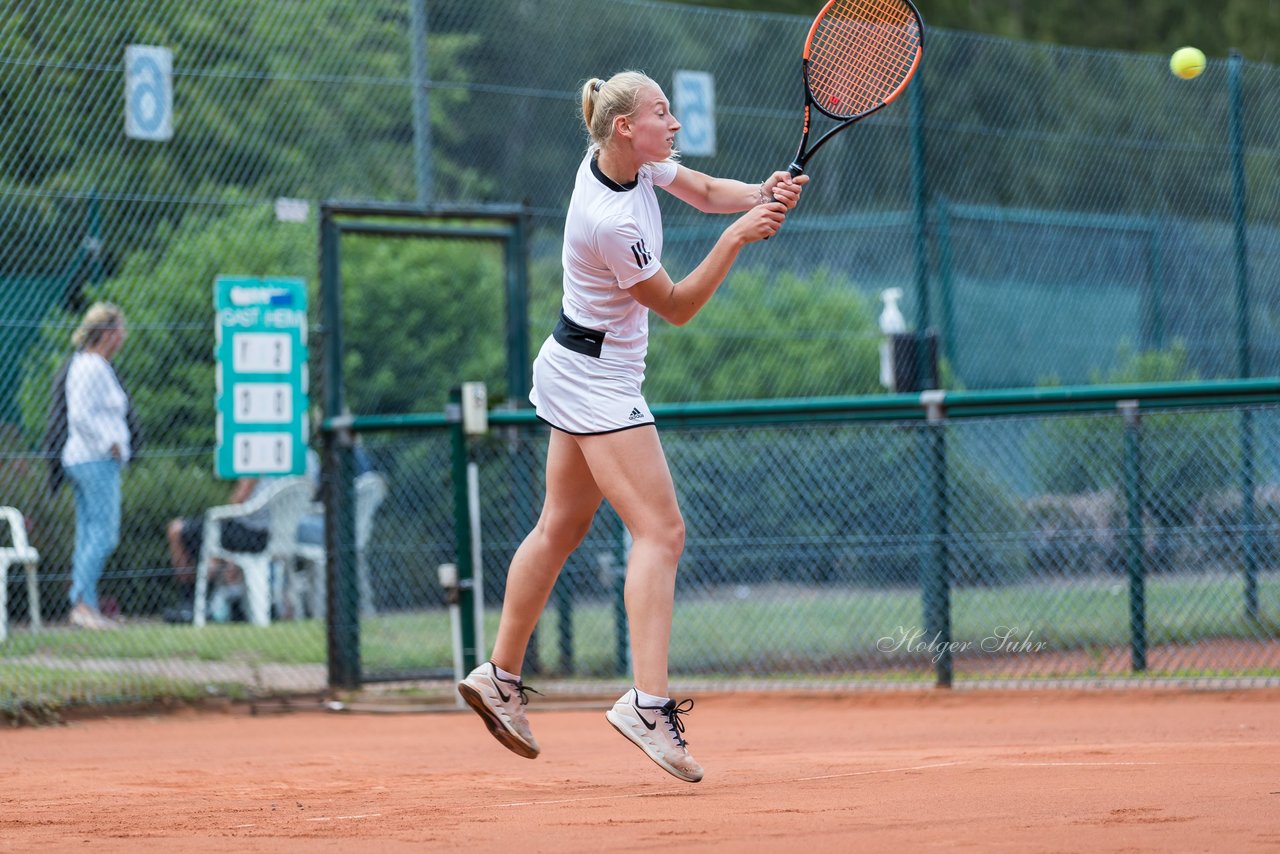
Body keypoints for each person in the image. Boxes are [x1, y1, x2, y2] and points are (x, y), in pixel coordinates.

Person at [457, 71, 807, 783]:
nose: (673, 124)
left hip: (573, 364)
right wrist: (740, 236)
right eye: (661, 113)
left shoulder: (628, 160)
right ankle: (647, 707)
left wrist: (760, 195)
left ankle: (498, 675)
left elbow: (705, 191)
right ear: (625, 126)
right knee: (662, 531)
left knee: (559, 527)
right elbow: (676, 305)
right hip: (596, 381)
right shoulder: (608, 220)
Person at [58, 303, 133, 630]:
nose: (124, 337)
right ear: (107, 333)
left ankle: (85, 603)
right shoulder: (91, 367)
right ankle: (81, 602)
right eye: (120, 330)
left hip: (87, 458)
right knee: (104, 534)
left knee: (88, 534)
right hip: (94, 459)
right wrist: (110, 444)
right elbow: (80, 416)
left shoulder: (91, 365)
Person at [165, 477, 271, 622]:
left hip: (248, 534)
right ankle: (206, 602)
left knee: (176, 530)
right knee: (211, 549)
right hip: (267, 536)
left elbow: (236, 503)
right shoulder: (290, 465)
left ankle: (190, 603)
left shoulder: (254, 466)